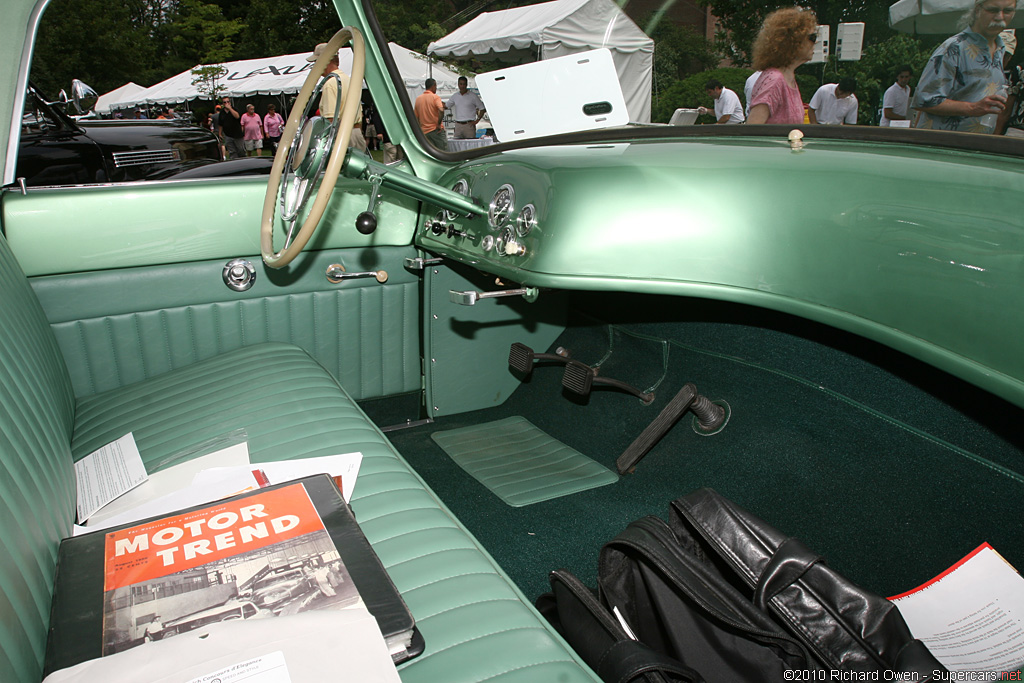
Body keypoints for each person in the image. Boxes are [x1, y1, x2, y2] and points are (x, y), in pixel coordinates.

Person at [913, 0, 1013, 134]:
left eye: (1007, 11)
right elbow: (924, 99)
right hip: (942, 146)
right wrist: (973, 108)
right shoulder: (954, 47)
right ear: (977, 10)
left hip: (977, 146)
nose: (1000, 17)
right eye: (993, 10)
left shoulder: (1000, 49)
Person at [747, 7, 818, 125]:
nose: (815, 42)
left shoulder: (788, 78)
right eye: (812, 37)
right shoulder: (774, 79)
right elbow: (752, 129)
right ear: (793, 41)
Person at [307, 42, 366, 152]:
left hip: (341, 136)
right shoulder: (349, 80)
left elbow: (331, 119)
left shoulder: (330, 84)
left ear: (325, 61)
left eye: (316, 62)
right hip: (356, 134)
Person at [414, 78, 446, 150]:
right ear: (433, 86)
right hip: (436, 130)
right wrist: (438, 124)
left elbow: (416, 116)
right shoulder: (435, 97)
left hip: (424, 132)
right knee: (443, 152)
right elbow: (441, 110)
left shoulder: (418, 99)